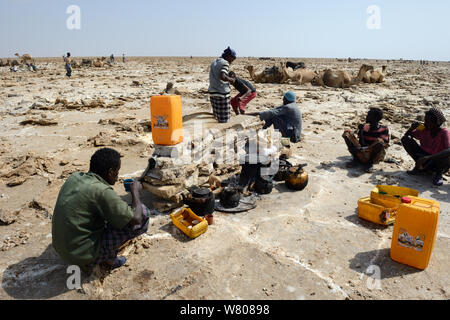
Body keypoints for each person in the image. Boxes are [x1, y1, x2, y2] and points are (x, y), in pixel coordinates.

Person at [52, 148, 151, 273]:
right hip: (81, 255)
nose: (117, 176)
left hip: (62, 248)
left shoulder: (75, 177)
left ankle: (96, 256)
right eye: (117, 172)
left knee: (114, 212)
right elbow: (136, 219)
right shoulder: (102, 191)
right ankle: (105, 260)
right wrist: (135, 192)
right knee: (143, 212)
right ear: (110, 172)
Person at [401, 107, 449, 186]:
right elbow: (406, 136)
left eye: (429, 122)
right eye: (425, 121)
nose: (426, 123)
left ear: (437, 123)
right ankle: (419, 168)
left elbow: (449, 150)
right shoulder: (423, 128)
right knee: (406, 139)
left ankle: (438, 174)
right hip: (424, 156)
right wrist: (411, 128)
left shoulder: (444, 132)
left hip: (437, 161)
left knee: (446, 154)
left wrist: (428, 158)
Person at [342, 107, 390, 172]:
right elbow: (361, 142)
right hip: (362, 151)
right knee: (347, 133)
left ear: (375, 118)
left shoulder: (384, 129)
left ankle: (369, 163)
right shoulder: (365, 127)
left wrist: (365, 148)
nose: (367, 117)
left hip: (374, 155)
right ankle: (356, 159)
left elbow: (385, 145)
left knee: (380, 142)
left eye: (369, 115)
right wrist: (361, 131)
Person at [208, 47, 237, 123]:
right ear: (229, 56)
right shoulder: (225, 63)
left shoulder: (214, 61)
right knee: (224, 121)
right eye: (232, 59)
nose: (232, 62)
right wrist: (231, 79)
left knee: (217, 118)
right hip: (222, 94)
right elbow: (223, 76)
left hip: (212, 93)